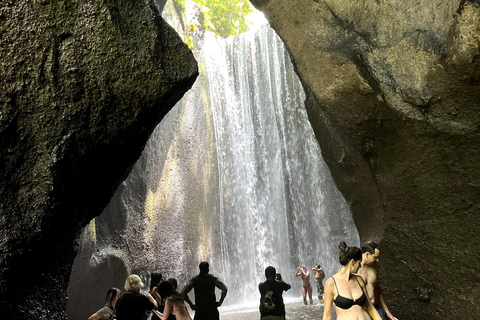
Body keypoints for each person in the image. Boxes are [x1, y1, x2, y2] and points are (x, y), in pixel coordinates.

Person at [323, 242, 382, 320]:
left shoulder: (359, 280)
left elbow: (370, 308)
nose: (360, 266)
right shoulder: (331, 283)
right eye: (359, 263)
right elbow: (327, 316)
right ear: (352, 262)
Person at [357, 242, 398, 320]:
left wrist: (388, 312)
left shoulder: (374, 267)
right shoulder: (355, 269)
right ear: (367, 255)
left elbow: (378, 290)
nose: (377, 260)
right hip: (362, 311)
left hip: (377, 308)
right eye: (375, 257)